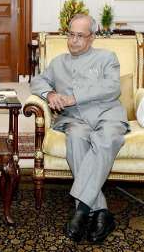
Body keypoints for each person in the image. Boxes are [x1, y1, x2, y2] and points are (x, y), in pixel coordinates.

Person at [31, 14, 129, 243]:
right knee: (75, 138)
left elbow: (112, 88)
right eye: (71, 35)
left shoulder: (107, 58)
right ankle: (101, 211)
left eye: (80, 36)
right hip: (75, 121)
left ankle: (82, 210)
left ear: (92, 37)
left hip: (107, 116)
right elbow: (38, 82)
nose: (73, 41)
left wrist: (74, 98)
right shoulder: (58, 63)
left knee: (107, 140)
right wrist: (51, 94)